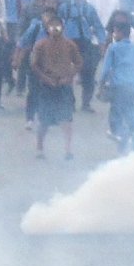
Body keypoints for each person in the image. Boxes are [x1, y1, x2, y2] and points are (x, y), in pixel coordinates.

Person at [30, 16, 83, 160]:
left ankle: (68, 149)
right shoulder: (40, 45)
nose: (55, 28)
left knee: (66, 119)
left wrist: (69, 77)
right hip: (47, 86)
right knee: (44, 121)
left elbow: (78, 63)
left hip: (64, 86)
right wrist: (45, 78)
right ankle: (40, 148)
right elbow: (34, 65)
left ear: (63, 27)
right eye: (51, 25)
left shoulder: (70, 45)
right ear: (47, 28)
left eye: (58, 25)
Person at [98, 13, 134, 153]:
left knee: (116, 119)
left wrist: (101, 86)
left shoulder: (113, 48)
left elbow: (105, 71)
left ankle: (123, 140)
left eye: (115, 32)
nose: (114, 35)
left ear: (120, 32)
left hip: (119, 89)